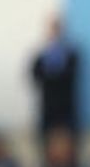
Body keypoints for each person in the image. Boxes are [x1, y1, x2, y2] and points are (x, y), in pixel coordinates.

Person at [29, 14, 81, 157]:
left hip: (66, 109)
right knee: (45, 150)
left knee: (71, 151)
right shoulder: (41, 55)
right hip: (48, 109)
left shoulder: (72, 54)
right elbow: (35, 75)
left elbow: (70, 76)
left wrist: (51, 73)